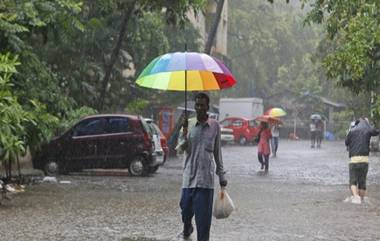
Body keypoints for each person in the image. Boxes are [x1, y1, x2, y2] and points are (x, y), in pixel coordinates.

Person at [177, 92, 227, 241]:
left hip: (206, 182)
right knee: (185, 210)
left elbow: (218, 153)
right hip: (188, 179)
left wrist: (222, 176)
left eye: (202, 105)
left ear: (207, 107)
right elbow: (180, 149)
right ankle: (187, 227)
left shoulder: (215, 126)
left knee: (203, 224)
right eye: (197, 105)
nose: (199, 108)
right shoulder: (188, 124)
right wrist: (184, 131)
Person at [345, 118, 379, 204]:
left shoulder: (352, 130)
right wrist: (369, 125)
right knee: (362, 182)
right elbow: (376, 131)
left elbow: (346, 142)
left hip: (354, 160)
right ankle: (362, 200)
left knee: (353, 181)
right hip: (364, 160)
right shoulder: (368, 129)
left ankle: (356, 197)